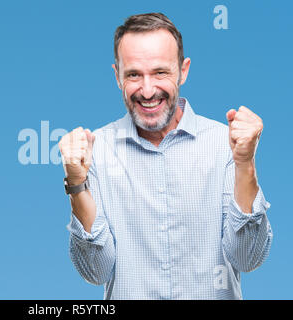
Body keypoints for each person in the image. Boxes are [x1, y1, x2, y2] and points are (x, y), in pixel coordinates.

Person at [59, 13, 272, 299]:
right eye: (134, 74)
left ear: (183, 71)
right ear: (117, 76)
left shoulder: (226, 144)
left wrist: (245, 164)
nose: (148, 91)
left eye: (160, 72)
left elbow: (248, 258)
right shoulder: (94, 151)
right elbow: (95, 272)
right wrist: (76, 186)